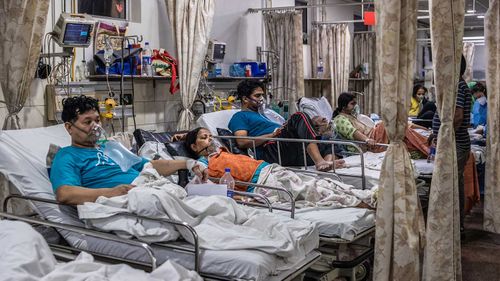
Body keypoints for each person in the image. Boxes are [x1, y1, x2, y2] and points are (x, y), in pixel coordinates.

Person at [50, 95, 205, 205]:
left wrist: (188, 163)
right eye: (87, 122)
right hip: (130, 199)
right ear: (69, 127)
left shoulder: (110, 147)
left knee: (222, 204)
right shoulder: (67, 155)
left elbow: (149, 166)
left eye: (97, 120)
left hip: (150, 188)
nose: (95, 127)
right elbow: (65, 193)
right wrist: (112, 192)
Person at [182, 127, 373, 208]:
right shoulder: (204, 163)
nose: (210, 139)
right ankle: (363, 204)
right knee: (316, 191)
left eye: (210, 136)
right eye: (203, 138)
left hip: (271, 170)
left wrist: (185, 136)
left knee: (322, 182)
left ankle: (366, 196)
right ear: (193, 147)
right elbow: (195, 185)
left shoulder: (222, 152)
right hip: (264, 182)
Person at [228, 80, 342, 171]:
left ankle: (327, 164)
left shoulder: (265, 114)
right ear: (245, 99)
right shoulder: (240, 116)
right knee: (299, 116)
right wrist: (272, 135)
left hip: (287, 150)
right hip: (271, 150)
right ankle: (319, 161)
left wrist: (311, 123)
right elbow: (242, 142)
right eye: (257, 96)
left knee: (328, 140)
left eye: (262, 95)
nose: (261, 99)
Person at [432, 55, 472, 234]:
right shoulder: (457, 85)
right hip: (455, 142)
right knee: (456, 184)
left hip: (455, 143)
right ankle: (456, 225)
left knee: (450, 186)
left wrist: (442, 137)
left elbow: (457, 117)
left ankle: (451, 228)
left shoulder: (457, 85)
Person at [333, 92, 429, 158]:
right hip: (371, 141)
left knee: (402, 134)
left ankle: (424, 147)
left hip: (374, 134)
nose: (355, 106)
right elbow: (353, 132)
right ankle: (427, 146)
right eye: (352, 104)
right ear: (343, 106)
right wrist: (367, 140)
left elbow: (358, 114)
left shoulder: (351, 115)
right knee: (392, 123)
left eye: (355, 103)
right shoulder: (340, 119)